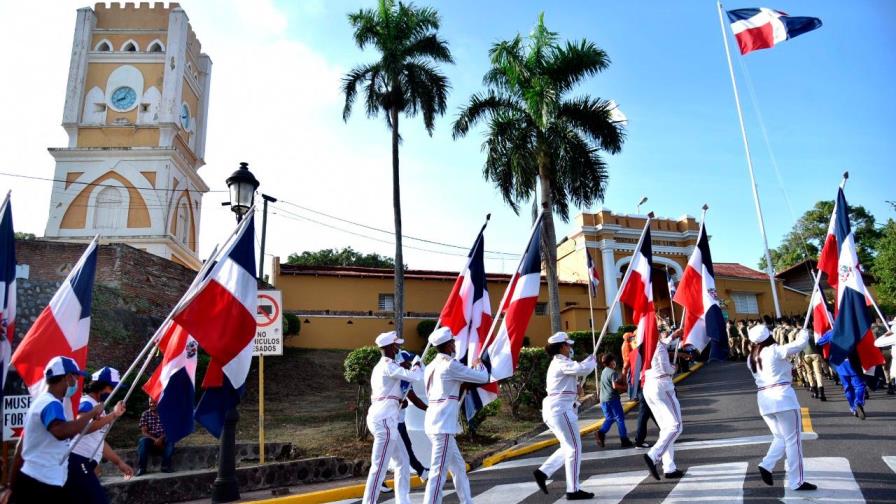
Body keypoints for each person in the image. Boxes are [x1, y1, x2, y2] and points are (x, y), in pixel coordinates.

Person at [1, 357, 116, 503]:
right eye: (75, 377)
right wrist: (92, 413)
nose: (76, 382)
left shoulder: (42, 402)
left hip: (36, 478)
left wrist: (12, 486)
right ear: (68, 378)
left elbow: (20, 451)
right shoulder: (51, 404)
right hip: (42, 482)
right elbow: (60, 432)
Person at [422, 327, 489, 504]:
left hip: (435, 422)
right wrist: (478, 363)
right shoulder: (450, 365)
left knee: (458, 467)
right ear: (447, 345)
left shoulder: (430, 366)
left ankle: (467, 501)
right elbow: (482, 377)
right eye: (452, 342)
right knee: (438, 473)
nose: (454, 344)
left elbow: (450, 388)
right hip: (442, 426)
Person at [747, 324, 816, 491]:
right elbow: (799, 345)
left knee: (780, 437)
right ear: (768, 336)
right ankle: (796, 481)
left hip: (764, 399)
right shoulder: (774, 350)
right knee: (793, 440)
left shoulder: (751, 358)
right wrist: (804, 333)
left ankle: (767, 464)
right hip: (782, 397)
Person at [532, 332, 597, 500]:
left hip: (556, 409)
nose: (570, 348)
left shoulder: (559, 364)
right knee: (574, 448)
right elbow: (583, 368)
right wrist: (592, 359)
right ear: (562, 346)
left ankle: (543, 472)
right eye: (568, 345)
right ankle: (573, 490)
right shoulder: (561, 362)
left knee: (568, 446)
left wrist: (576, 386)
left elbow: (573, 381)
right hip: (560, 409)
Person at [362, 332, 422, 504]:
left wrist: (398, 400)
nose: (399, 348)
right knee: (379, 467)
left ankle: (403, 500)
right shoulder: (389, 366)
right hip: (385, 420)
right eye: (396, 345)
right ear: (389, 347)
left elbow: (390, 393)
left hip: (385, 418)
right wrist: (416, 363)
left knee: (403, 461)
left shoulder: (383, 366)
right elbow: (416, 376)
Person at [66, 367, 133, 503]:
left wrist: (118, 462)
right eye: (112, 388)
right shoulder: (86, 403)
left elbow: (99, 441)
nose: (114, 392)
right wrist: (113, 414)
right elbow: (83, 426)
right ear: (102, 387)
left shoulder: (99, 406)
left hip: (85, 462)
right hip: (77, 460)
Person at [641, 328, 684, 481]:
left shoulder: (646, 344)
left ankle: (669, 467)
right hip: (662, 385)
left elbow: (663, 343)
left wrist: (673, 336)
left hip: (649, 386)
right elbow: (667, 368)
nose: (662, 333)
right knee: (676, 426)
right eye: (660, 331)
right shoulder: (658, 346)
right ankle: (654, 455)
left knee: (666, 429)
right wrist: (675, 368)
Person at [816, 329, 867, 419]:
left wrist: (826, 358)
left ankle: (853, 408)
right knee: (860, 386)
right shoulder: (853, 329)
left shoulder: (831, 333)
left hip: (840, 364)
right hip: (854, 362)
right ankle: (858, 402)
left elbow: (818, 344)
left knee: (848, 387)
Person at [395, 351, 429, 482]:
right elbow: (413, 399)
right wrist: (429, 410)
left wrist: (428, 409)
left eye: (410, 362)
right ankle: (421, 471)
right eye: (407, 362)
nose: (409, 364)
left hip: (400, 420)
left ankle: (421, 471)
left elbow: (412, 399)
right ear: (401, 363)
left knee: (406, 448)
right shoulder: (399, 378)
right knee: (393, 453)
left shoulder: (405, 378)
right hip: (392, 421)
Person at [595, 353, 632, 449]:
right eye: (614, 361)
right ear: (612, 362)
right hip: (612, 399)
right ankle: (624, 440)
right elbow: (614, 386)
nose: (615, 362)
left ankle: (600, 433)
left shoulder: (604, 372)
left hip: (603, 400)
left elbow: (610, 382)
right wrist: (625, 388)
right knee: (620, 419)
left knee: (610, 418)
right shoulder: (612, 372)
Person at [136, 398, 175, 475]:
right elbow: (144, 432)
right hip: (150, 438)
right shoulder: (145, 414)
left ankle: (165, 466)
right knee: (143, 441)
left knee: (171, 440)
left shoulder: (166, 413)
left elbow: (169, 429)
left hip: (163, 437)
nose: (152, 404)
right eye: (150, 403)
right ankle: (142, 468)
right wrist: (155, 439)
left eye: (154, 403)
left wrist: (160, 438)